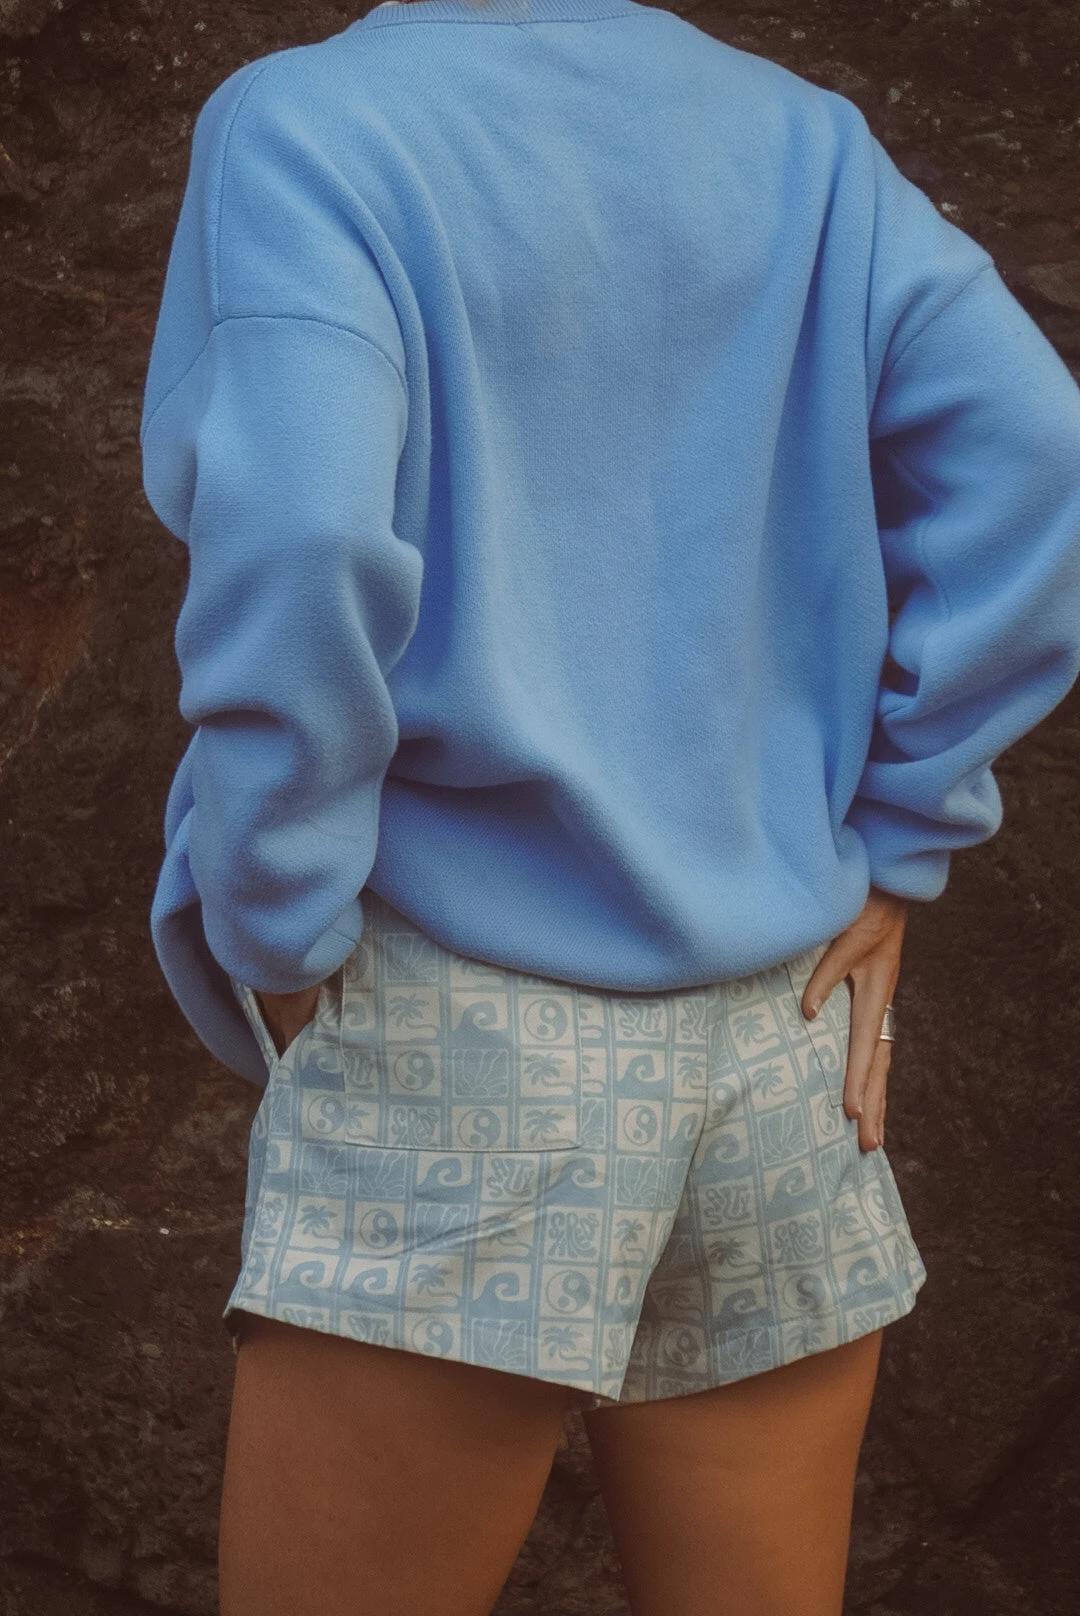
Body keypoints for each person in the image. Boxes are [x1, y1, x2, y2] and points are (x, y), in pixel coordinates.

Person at [138, 1, 1080, 1612]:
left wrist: (279, 929)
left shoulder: (307, 128)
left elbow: (302, 538)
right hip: (782, 1043)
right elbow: (1042, 455)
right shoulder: (806, 145)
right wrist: (900, 834)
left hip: (463, 1037)